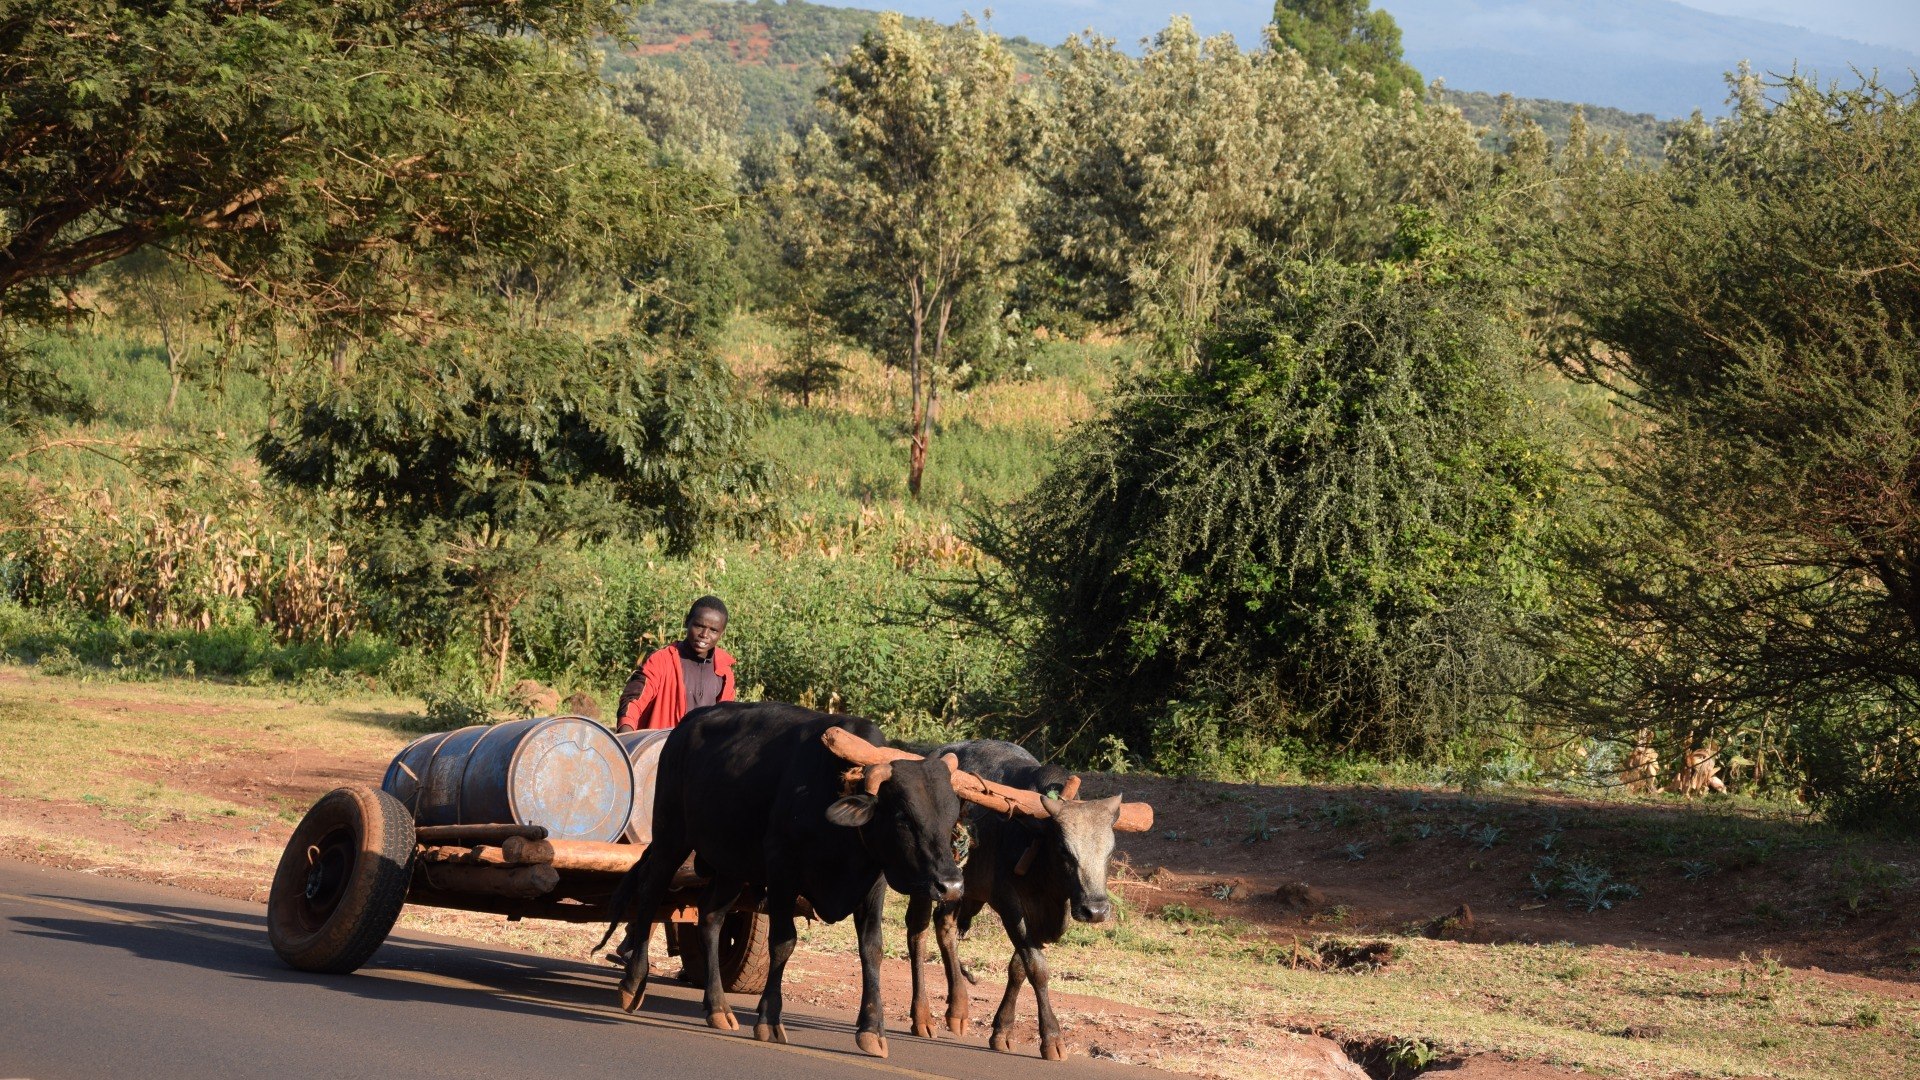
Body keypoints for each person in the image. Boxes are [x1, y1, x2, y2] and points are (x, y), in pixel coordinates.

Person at [615, 595, 736, 732]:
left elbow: (725, 720)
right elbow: (633, 702)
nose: (704, 634)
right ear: (687, 622)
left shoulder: (724, 673)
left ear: (722, 633)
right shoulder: (661, 661)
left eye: (713, 630)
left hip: (703, 751)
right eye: (699, 626)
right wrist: (627, 741)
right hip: (661, 748)